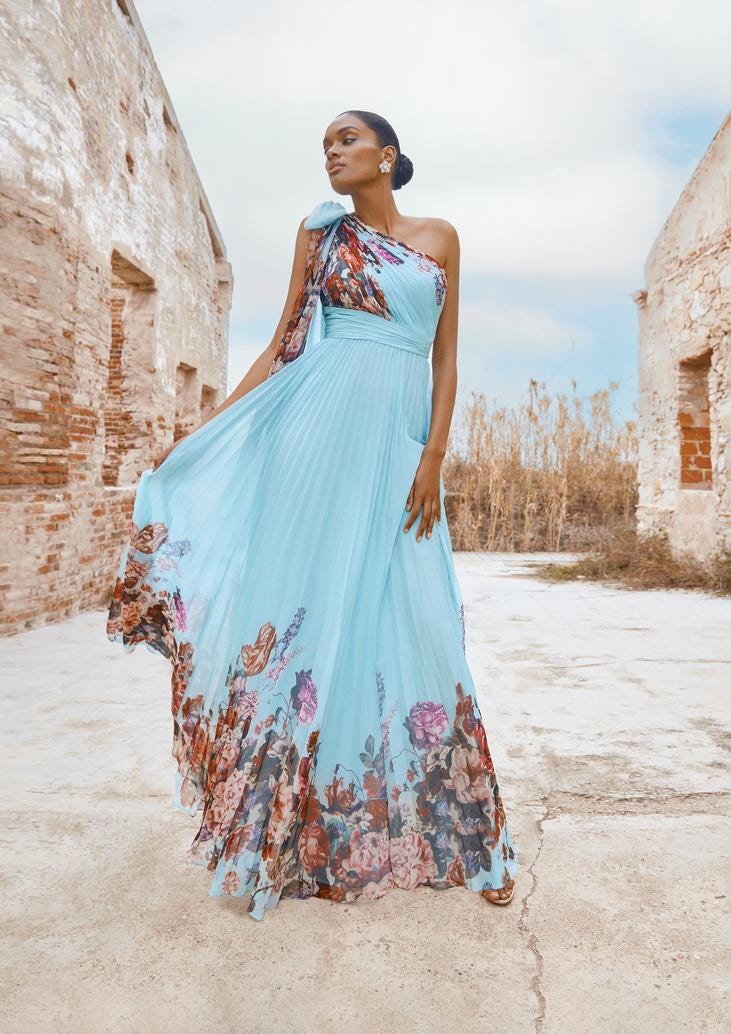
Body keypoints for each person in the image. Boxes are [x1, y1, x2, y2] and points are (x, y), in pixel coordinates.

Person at [106, 109, 518, 921]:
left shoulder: (439, 238)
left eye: (346, 140)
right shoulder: (320, 235)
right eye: (324, 145)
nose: (331, 153)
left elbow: (444, 355)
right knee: (307, 611)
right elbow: (284, 344)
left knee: (420, 613)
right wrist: (203, 434)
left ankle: (467, 837)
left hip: (397, 442)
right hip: (317, 435)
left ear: (387, 156)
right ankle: (289, 830)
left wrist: (433, 454)